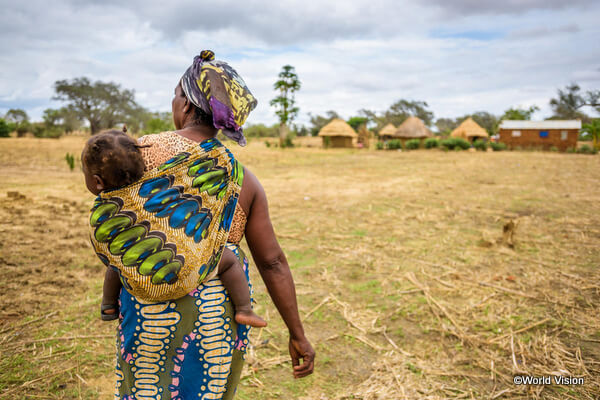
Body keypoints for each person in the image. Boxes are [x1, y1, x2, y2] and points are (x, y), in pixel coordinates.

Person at [107, 50, 314, 399]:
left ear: (186, 105)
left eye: (175, 94)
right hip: (213, 315)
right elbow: (272, 261)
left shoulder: (135, 154)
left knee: (145, 388)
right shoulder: (241, 178)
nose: (173, 102)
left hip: (147, 304)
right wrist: (297, 334)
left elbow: (112, 219)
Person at [81, 129, 267, 329]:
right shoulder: (159, 186)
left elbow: (103, 248)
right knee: (229, 260)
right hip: (188, 273)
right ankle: (244, 308)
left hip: (144, 287)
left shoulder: (104, 211)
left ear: (98, 182)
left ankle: (108, 305)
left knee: (114, 264)